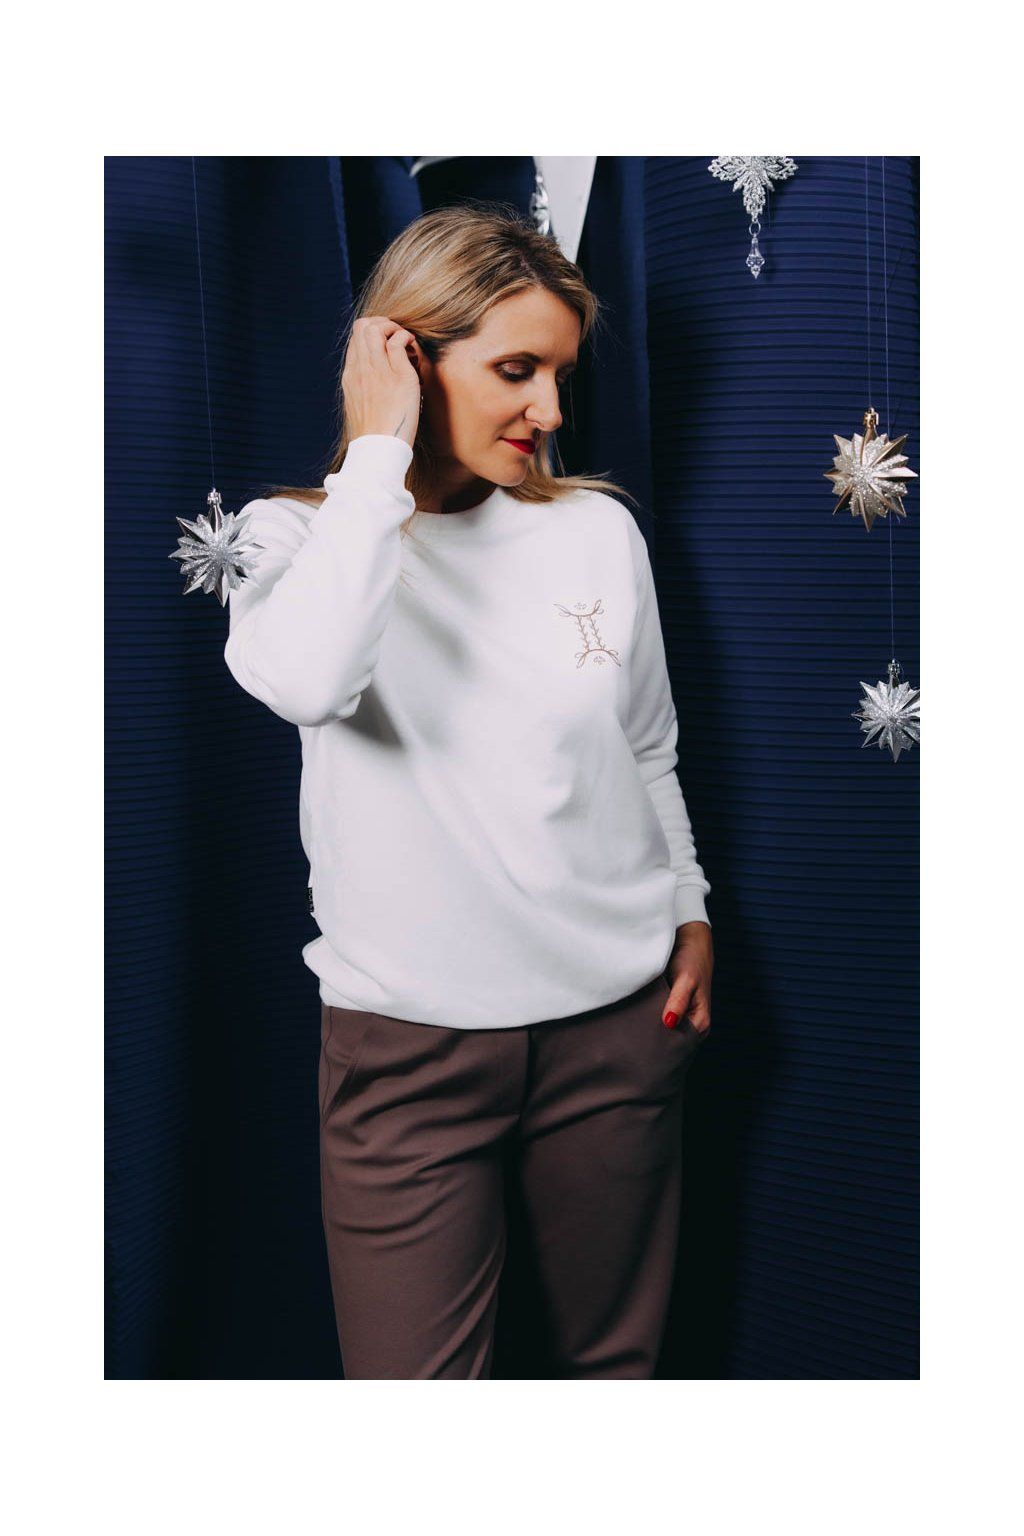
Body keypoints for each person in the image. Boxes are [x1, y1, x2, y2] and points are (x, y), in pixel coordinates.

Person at [224, 203, 714, 1379]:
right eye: (514, 370)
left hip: (618, 1025)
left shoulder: (595, 531)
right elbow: (308, 682)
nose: (550, 412)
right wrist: (376, 455)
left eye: (559, 376)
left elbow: (647, 746)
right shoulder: (286, 541)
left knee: (613, 1380)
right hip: (409, 1051)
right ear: (403, 355)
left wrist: (689, 909)